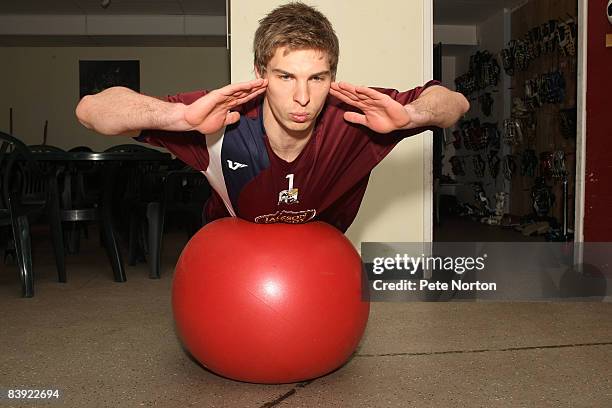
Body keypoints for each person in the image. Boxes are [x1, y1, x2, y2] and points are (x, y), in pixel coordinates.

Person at [75, 2, 469, 233]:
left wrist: (412, 116)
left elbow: (455, 104)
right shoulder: (220, 117)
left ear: (333, 76)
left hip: (317, 256)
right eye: (285, 77)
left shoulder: (360, 116)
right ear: (261, 73)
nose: (303, 97)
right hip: (235, 254)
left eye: (317, 78)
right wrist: (179, 117)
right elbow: (91, 111)